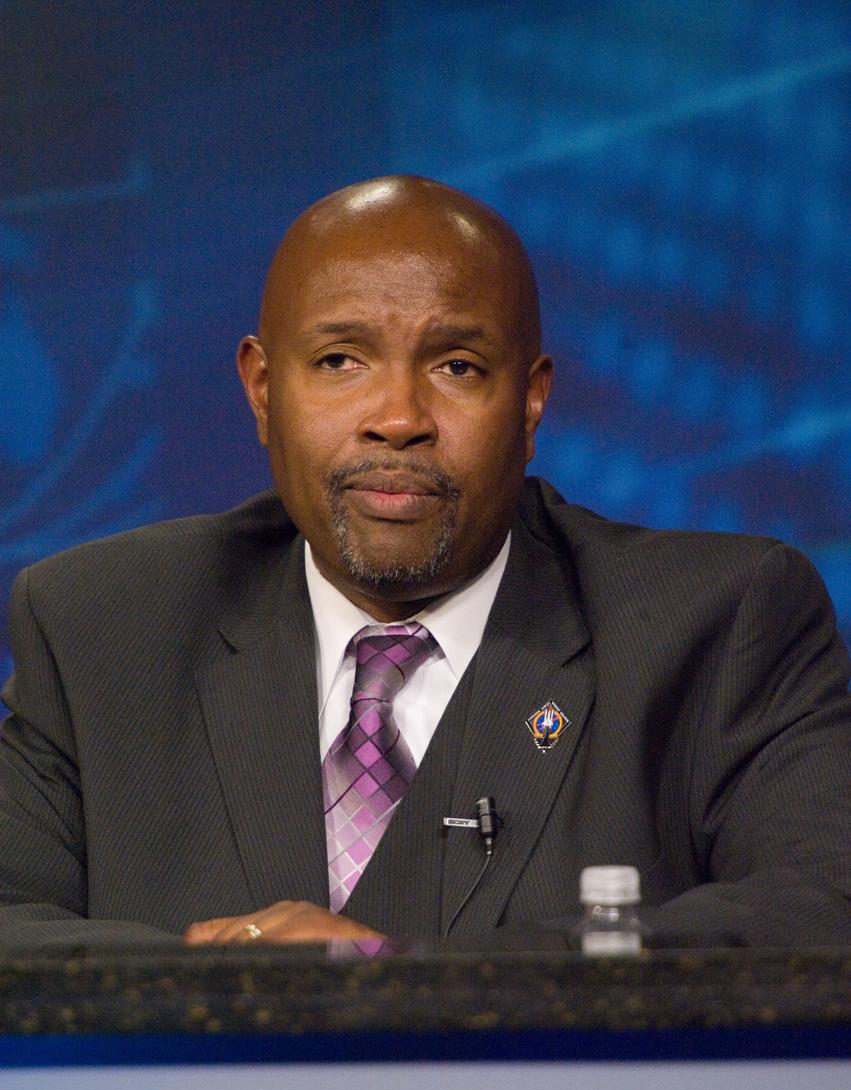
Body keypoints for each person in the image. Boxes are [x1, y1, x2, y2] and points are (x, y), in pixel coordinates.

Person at [1, 175, 850, 949]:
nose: (398, 417)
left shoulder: (715, 624)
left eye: (456, 366)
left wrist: (396, 977)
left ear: (529, 400)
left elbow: (822, 905)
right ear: (263, 390)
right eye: (340, 361)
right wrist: (221, 977)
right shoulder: (101, 626)